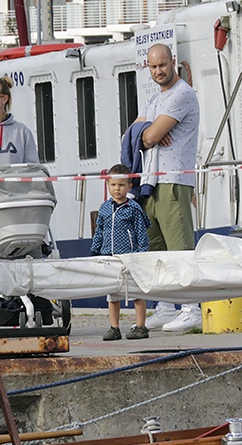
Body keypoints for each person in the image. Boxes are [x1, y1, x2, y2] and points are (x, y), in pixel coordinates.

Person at [133, 43, 200, 333]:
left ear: (173, 62)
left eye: (163, 64)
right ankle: (165, 305)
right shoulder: (154, 100)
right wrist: (147, 132)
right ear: (148, 67)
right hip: (151, 180)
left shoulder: (182, 94)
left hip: (174, 179)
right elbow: (135, 132)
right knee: (156, 248)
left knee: (180, 247)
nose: (159, 71)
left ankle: (191, 309)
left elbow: (148, 137)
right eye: (153, 66)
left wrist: (149, 133)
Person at [90, 164, 151, 341]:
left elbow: (141, 232)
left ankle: (140, 326)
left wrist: (141, 253)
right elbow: (99, 231)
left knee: (136, 291)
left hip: (131, 256)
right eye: (113, 185)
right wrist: (95, 251)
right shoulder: (104, 208)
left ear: (129, 187)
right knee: (113, 293)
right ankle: (114, 327)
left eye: (121, 185)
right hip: (110, 256)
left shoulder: (134, 208)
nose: (117, 189)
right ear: (108, 185)